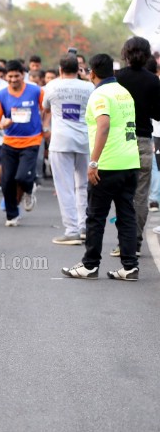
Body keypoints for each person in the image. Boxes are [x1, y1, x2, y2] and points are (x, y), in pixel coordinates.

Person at [62, 53, 140, 281]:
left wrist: (94, 161)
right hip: (130, 162)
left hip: (108, 164)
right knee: (126, 215)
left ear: (92, 73)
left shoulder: (100, 94)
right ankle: (130, 266)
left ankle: (89, 265)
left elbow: (103, 125)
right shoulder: (123, 92)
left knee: (95, 216)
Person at [114, 36, 160, 257]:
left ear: (125, 53)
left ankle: (123, 241)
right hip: (142, 140)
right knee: (140, 195)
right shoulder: (153, 80)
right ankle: (135, 242)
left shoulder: (117, 79)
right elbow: (158, 113)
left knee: (122, 195)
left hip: (119, 142)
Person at [42, 55, 93, 244]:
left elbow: (45, 107)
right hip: (84, 140)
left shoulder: (52, 86)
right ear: (79, 68)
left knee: (65, 187)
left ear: (60, 69)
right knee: (83, 186)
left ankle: (71, 230)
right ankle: (84, 227)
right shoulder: (89, 87)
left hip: (61, 141)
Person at [0, 60, 44, 226]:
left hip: (32, 140)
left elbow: (47, 109)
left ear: (23, 75)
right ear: (6, 76)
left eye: (17, 76)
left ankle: (29, 188)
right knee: (6, 180)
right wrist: (1, 125)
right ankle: (12, 215)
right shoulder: (2, 95)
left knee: (22, 176)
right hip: (10, 142)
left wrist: (46, 125)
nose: (13, 79)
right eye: (10, 76)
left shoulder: (35, 91)